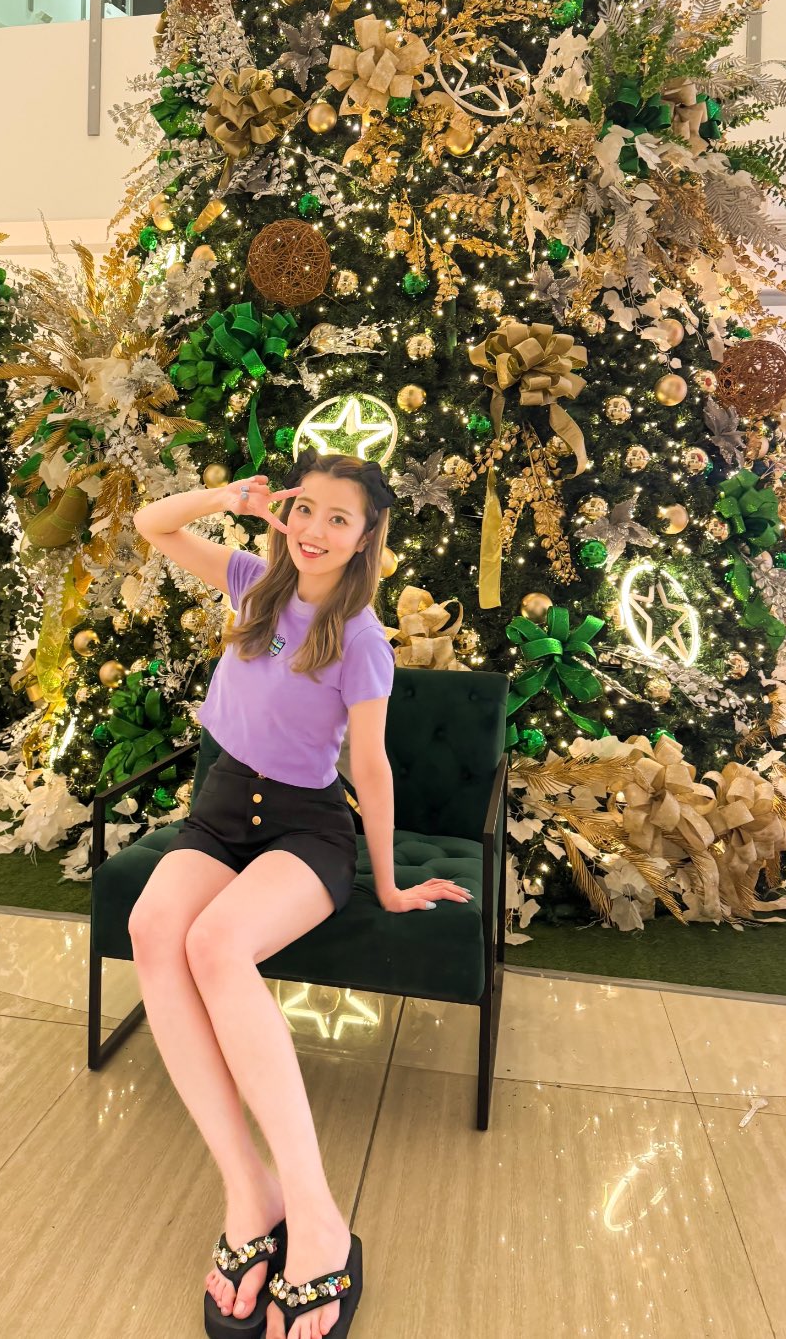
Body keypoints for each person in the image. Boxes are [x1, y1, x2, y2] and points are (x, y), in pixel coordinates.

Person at [129, 449, 473, 1339]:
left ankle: (316, 1216)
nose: (315, 529)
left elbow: (370, 767)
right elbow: (150, 524)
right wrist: (229, 497)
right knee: (153, 926)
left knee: (215, 945)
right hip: (218, 812)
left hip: (304, 828)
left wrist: (387, 882)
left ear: (364, 538)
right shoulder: (251, 581)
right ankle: (250, 1191)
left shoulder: (361, 638)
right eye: (305, 507)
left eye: (338, 518)